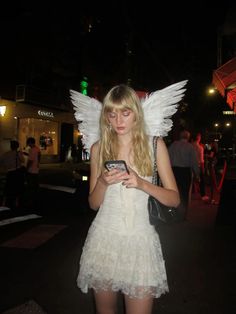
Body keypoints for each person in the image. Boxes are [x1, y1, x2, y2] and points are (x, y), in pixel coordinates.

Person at [76, 84, 180, 314]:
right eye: (112, 114)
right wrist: (103, 182)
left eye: (125, 112)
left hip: (140, 242)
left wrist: (142, 184)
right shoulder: (98, 148)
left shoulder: (155, 144)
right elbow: (93, 203)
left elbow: (174, 199)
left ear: (136, 113)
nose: (118, 120)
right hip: (104, 240)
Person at [168, 129, 199, 220]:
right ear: (188, 137)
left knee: (174, 192)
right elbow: (194, 162)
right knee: (184, 194)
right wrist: (197, 173)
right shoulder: (190, 147)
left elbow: (168, 157)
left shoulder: (173, 145)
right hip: (185, 172)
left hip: (174, 171)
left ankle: (173, 212)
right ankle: (182, 215)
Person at [0, 140, 25, 209]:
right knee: (17, 187)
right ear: (17, 147)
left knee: (7, 187)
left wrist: (6, 167)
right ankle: (16, 202)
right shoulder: (18, 153)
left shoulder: (6, 154)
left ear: (11, 146)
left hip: (9, 172)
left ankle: (4, 202)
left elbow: (1, 163)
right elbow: (23, 160)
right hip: (17, 172)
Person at [192, 132, 209, 202]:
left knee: (190, 180)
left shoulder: (190, 145)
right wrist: (203, 168)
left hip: (189, 165)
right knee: (202, 181)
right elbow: (201, 160)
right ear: (199, 138)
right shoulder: (200, 147)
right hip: (198, 166)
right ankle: (203, 195)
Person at [25, 137, 41, 211]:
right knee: (35, 186)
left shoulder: (32, 150)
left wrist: (27, 168)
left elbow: (30, 161)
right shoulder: (37, 149)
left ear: (30, 142)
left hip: (31, 170)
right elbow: (38, 158)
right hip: (36, 169)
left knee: (30, 186)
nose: (28, 144)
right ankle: (36, 199)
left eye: (28, 143)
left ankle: (30, 202)